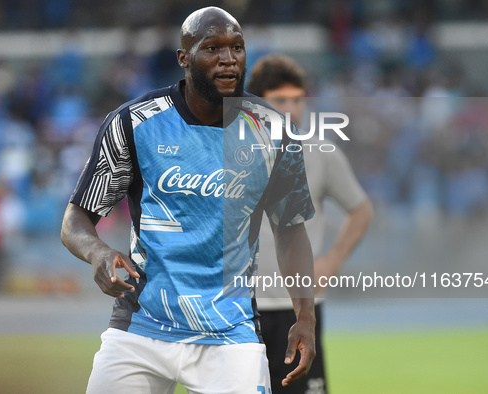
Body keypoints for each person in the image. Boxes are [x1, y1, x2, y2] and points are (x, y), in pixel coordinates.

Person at [61, 7, 317, 394]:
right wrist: (97, 252)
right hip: (141, 328)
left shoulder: (275, 131)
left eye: (237, 48)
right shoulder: (133, 124)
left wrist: (306, 316)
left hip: (230, 332)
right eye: (212, 48)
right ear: (184, 58)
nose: (228, 59)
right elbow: (75, 220)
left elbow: (291, 232)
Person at [247, 54, 373, 393]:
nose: (290, 109)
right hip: (242, 307)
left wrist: (333, 259)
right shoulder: (230, 152)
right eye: (279, 101)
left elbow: (360, 210)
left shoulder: (322, 152)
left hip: (301, 309)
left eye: (297, 100)